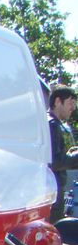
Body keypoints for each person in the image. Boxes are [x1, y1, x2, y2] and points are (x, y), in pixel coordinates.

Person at [48, 85, 78, 222]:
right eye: (70, 102)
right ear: (58, 101)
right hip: (52, 189)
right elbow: (55, 161)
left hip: (54, 188)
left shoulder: (57, 125)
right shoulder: (52, 125)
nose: (73, 107)